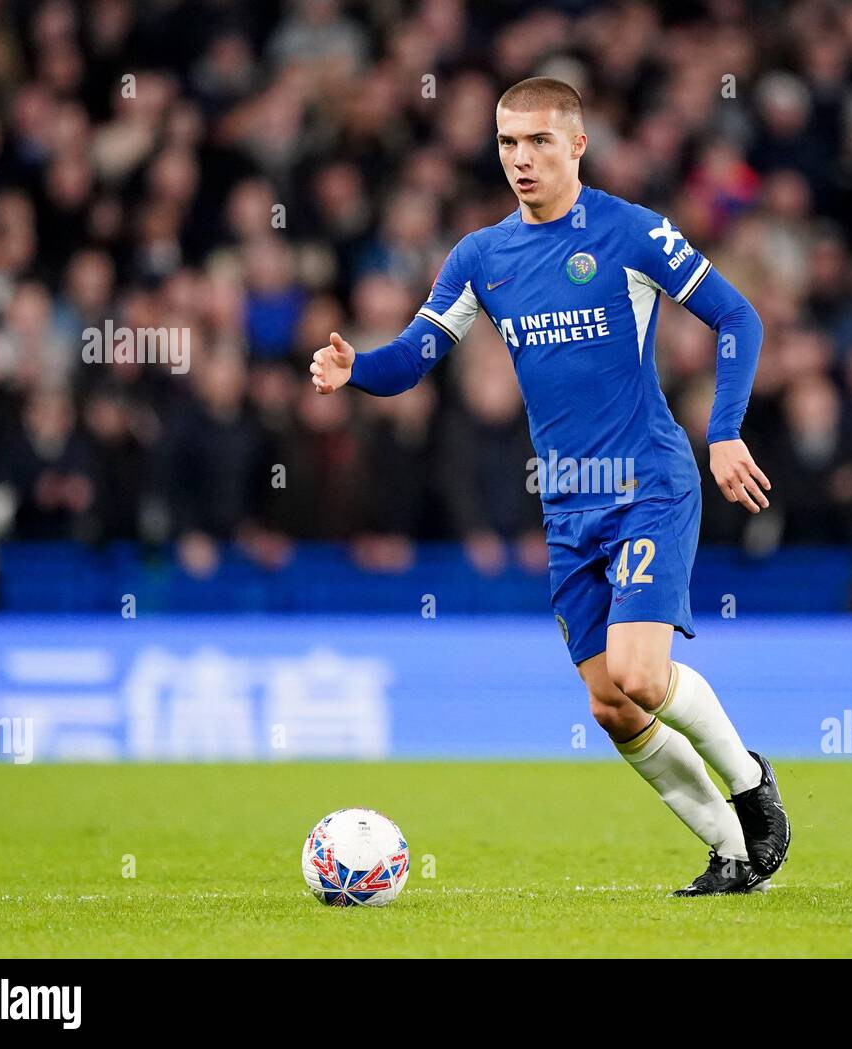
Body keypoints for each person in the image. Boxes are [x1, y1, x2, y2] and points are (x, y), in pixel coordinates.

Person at [310, 77, 789, 895]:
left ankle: (750, 785)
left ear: (577, 145)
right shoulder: (481, 259)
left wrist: (724, 430)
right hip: (568, 504)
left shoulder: (632, 232)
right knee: (612, 706)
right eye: (506, 143)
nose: (521, 159)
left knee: (641, 672)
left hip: (649, 484)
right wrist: (359, 369)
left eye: (538, 142)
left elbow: (738, 317)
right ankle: (733, 854)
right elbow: (414, 359)